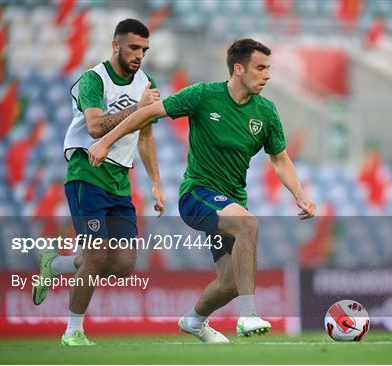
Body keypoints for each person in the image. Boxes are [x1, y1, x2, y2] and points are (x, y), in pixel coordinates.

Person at [88, 38, 316, 343]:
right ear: (238, 69)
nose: (267, 75)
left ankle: (194, 320)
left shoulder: (266, 112)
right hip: (197, 194)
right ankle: (248, 315)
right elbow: (148, 113)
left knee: (231, 282)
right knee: (248, 224)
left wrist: (299, 195)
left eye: (268, 68)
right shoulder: (203, 95)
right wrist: (106, 140)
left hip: (230, 201)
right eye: (260, 68)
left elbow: (279, 158)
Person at [31, 18, 165, 346]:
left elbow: (145, 137)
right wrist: (139, 107)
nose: (139, 55)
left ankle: (56, 263)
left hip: (120, 182)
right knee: (95, 255)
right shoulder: (95, 78)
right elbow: (94, 128)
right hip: (86, 175)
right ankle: (73, 332)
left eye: (144, 50)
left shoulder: (146, 82)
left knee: (123, 264)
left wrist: (156, 184)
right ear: (116, 46)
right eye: (134, 47)